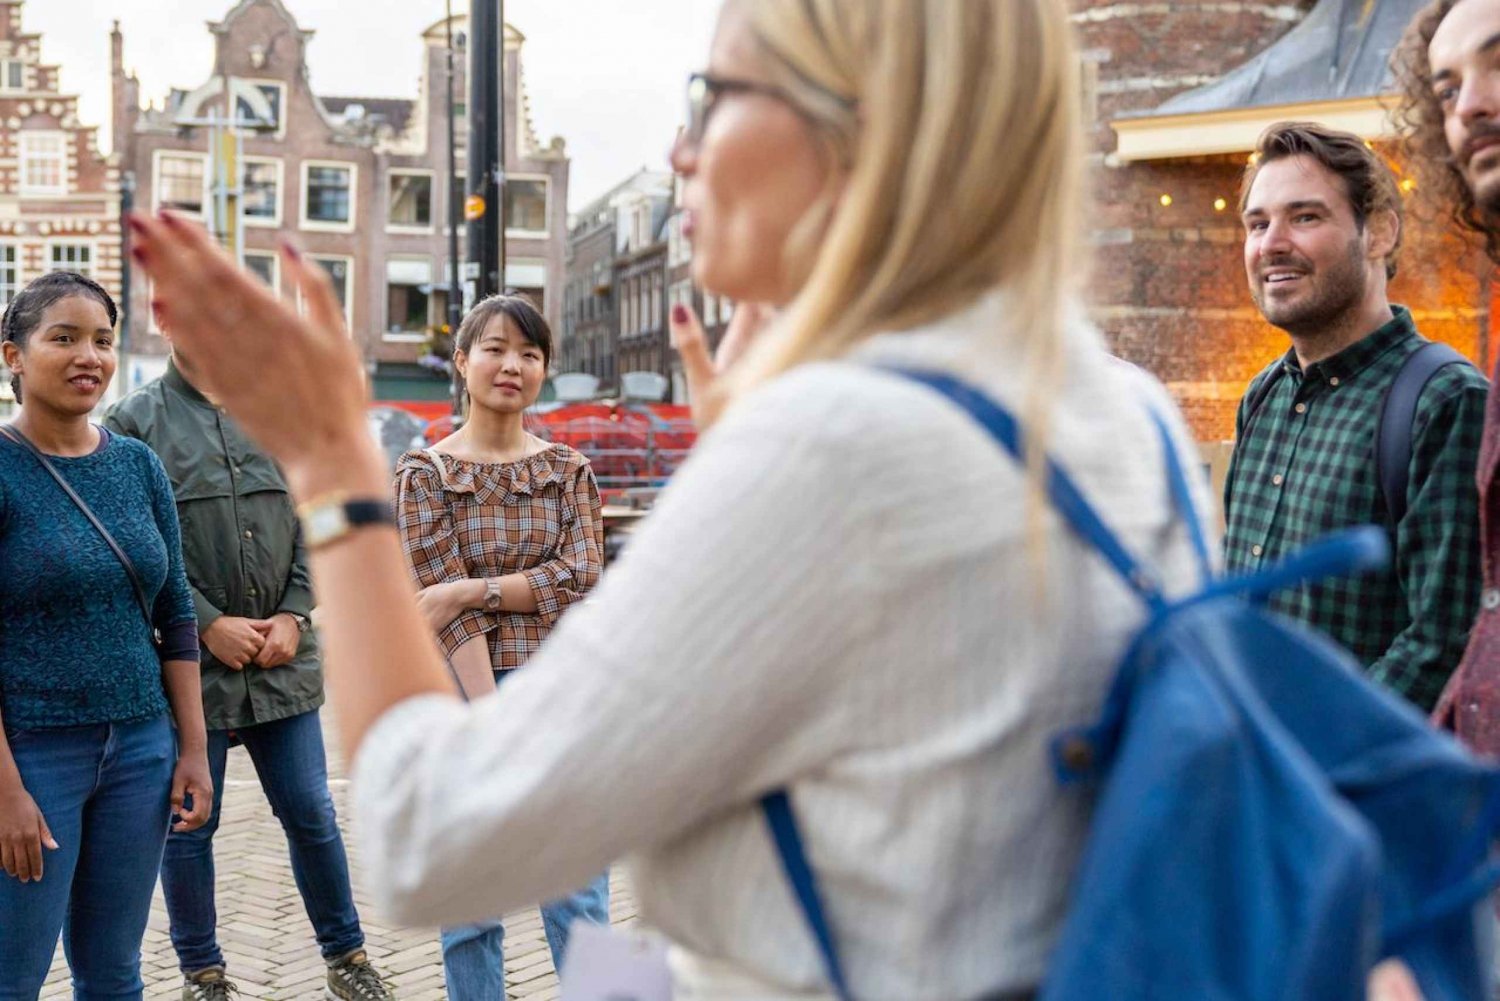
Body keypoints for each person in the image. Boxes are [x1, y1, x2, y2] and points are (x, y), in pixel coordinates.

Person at [128, 0, 1213, 996]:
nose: (678, 149)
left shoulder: (834, 445)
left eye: (715, 96)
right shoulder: (1126, 412)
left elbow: (432, 837)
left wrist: (331, 469)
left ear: (864, 127)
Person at [103, 338, 393, 1001]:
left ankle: (347, 956)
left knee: (312, 812)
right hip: (187, 670)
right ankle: (202, 974)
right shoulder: (131, 423)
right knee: (189, 825)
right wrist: (204, 621)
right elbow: (129, 542)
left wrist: (296, 612)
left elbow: (323, 517)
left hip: (283, 663)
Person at [1222, 121, 1487, 711]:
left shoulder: (1445, 400)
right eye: (1257, 223)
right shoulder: (1261, 396)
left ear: (1379, 233)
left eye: (1306, 217)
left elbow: (1444, 641)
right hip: (1249, 775)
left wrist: (1314, 755)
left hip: (1358, 789)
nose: (1271, 244)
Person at [0, 272, 211, 999]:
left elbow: (176, 613)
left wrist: (193, 750)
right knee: (14, 972)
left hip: (141, 751)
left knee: (114, 971)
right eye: (63, 337)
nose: (88, 354)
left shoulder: (138, 465)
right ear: (13, 356)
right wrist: (5, 791)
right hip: (32, 755)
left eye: (102, 339)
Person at [393, 294, 608, 999]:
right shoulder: (424, 473)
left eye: (530, 352)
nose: (512, 364)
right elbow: (439, 604)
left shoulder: (570, 470)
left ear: (545, 369)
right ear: (461, 362)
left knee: (580, 901)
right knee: (472, 913)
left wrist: (473, 590)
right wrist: (491, 721)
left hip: (564, 699)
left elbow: (581, 576)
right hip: (464, 701)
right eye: (494, 347)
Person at [1396, 0, 1500, 751]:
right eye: (1446, 88)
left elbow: (1435, 632)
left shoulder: (1440, 396)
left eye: (1499, 63)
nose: (1471, 106)